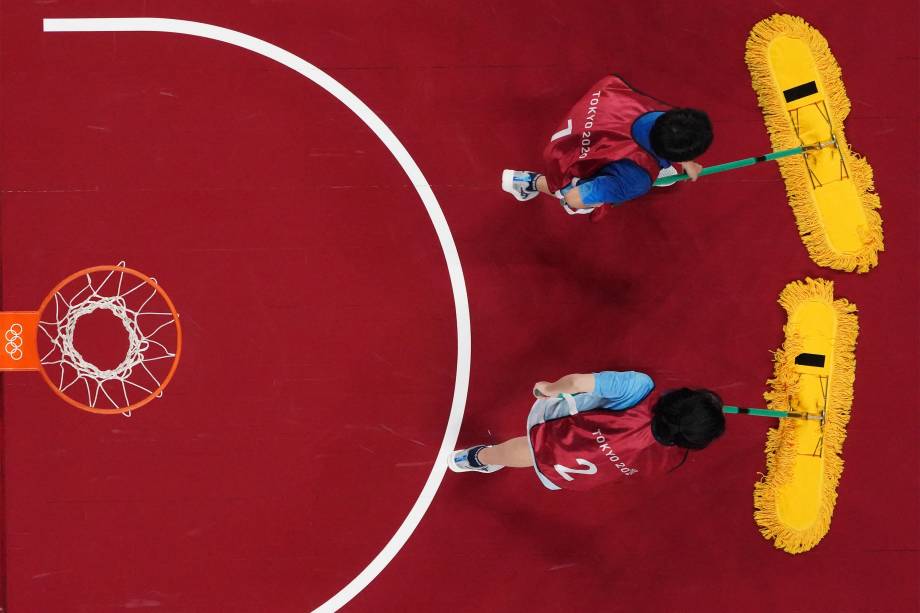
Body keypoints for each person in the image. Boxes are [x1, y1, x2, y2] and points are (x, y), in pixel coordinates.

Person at [448, 371, 725, 490]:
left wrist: (548, 388)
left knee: (537, 447)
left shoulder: (639, 387)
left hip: (556, 428)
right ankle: (476, 460)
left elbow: (577, 382)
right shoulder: (669, 458)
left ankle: (475, 459)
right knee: (544, 459)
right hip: (574, 476)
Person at [501, 75, 713, 218]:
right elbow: (573, 197)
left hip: (597, 113)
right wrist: (595, 200)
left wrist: (688, 162)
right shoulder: (636, 180)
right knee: (571, 197)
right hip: (566, 159)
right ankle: (528, 182)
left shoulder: (662, 112)